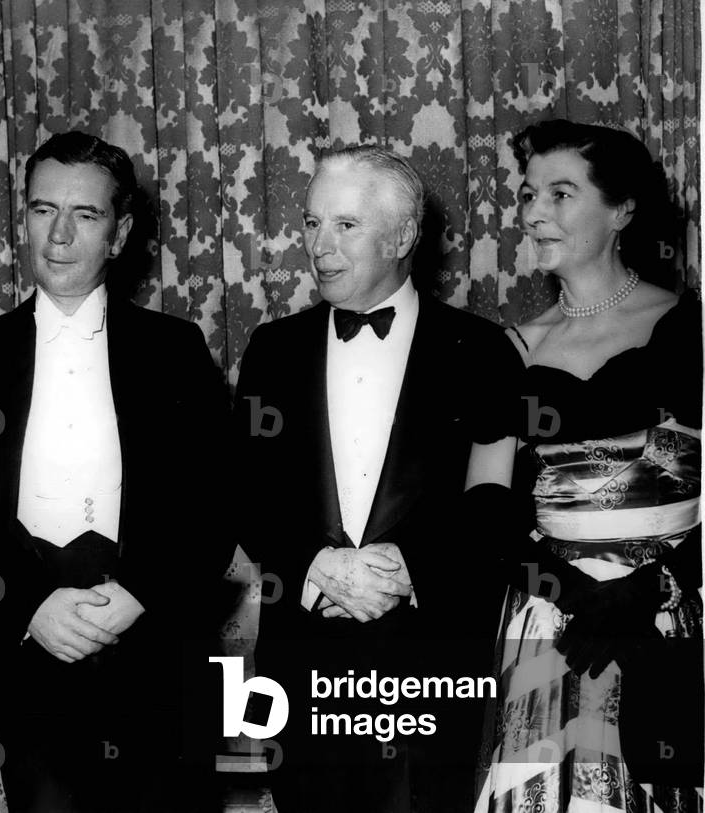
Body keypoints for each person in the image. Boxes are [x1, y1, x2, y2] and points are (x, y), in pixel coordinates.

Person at [0, 130, 229, 813]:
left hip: (156, 648)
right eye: (43, 210)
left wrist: (139, 594)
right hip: (31, 649)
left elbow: (214, 501)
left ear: (119, 235)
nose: (59, 235)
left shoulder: (175, 350)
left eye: (85, 215)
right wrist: (29, 606)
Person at [233, 145, 520, 813]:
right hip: (302, 663)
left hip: (433, 663)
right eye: (311, 222)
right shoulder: (273, 351)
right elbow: (244, 487)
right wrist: (318, 564)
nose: (319, 246)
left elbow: (495, 506)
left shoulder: (482, 351)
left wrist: (404, 568)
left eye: (345, 225)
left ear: (402, 236)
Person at [469, 119, 703, 811]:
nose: (534, 213)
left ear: (622, 208)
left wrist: (648, 590)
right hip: (551, 620)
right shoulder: (508, 349)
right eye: (528, 194)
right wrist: (572, 591)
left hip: (669, 608)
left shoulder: (691, 327)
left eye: (561, 193)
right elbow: (484, 509)